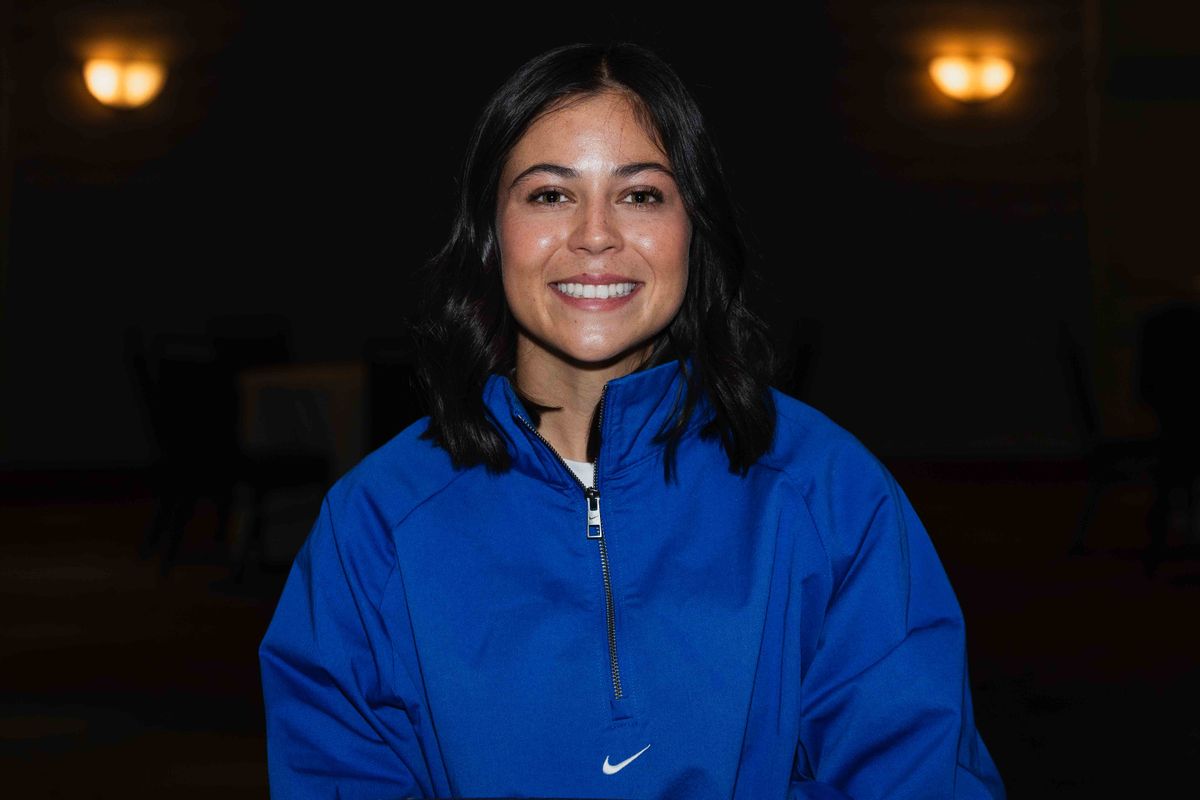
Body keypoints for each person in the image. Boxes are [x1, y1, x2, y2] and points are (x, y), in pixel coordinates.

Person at [258, 41, 1006, 800]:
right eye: (549, 194)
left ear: (694, 228)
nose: (595, 236)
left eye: (641, 194)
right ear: (491, 233)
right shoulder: (377, 523)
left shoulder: (827, 494)